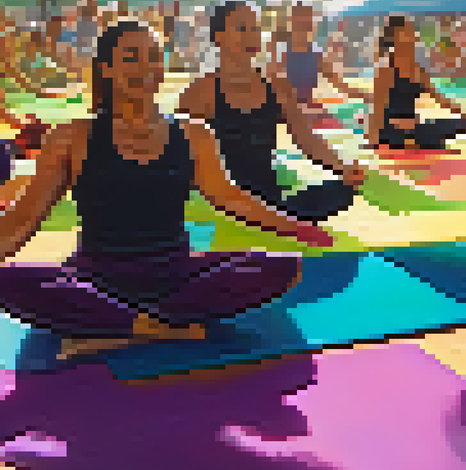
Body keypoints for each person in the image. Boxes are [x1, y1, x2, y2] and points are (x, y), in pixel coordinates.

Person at [0, 20, 333, 361]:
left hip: (175, 274)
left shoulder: (193, 133)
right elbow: (25, 217)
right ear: (107, 68)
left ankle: (123, 326)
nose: (145, 68)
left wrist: (294, 226)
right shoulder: (71, 136)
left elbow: (229, 197)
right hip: (94, 276)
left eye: (153, 57)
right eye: (131, 57)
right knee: (8, 280)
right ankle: (168, 326)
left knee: (282, 265)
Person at [177, 0, 367, 224]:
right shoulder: (201, 91)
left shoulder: (276, 85)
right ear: (218, 37)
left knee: (341, 191)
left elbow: (305, 137)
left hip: (269, 198)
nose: (251, 36)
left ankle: (278, 218)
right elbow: (180, 154)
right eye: (241, 28)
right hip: (222, 201)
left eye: (255, 29)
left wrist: (342, 166)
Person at [367, 15, 466, 150]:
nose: (413, 34)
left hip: (413, 128)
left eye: (412, 30)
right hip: (390, 130)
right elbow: (377, 109)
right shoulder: (385, 69)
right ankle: (418, 141)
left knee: (460, 124)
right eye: (407, 31)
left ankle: (419, 141)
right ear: (395, 38)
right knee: (426, 134)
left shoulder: (418, 71)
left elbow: (440, 99)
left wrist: (464, 113)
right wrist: (373, 142)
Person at [276, 3, 369, 110]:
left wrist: (365, 97)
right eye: (301, 21)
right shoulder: (280, 52)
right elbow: (275, 87)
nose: (305, 25)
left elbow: (338, 83)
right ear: (291, 22)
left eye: (308, 21)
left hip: (306, 111)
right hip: (284, 111)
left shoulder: (315, 55)